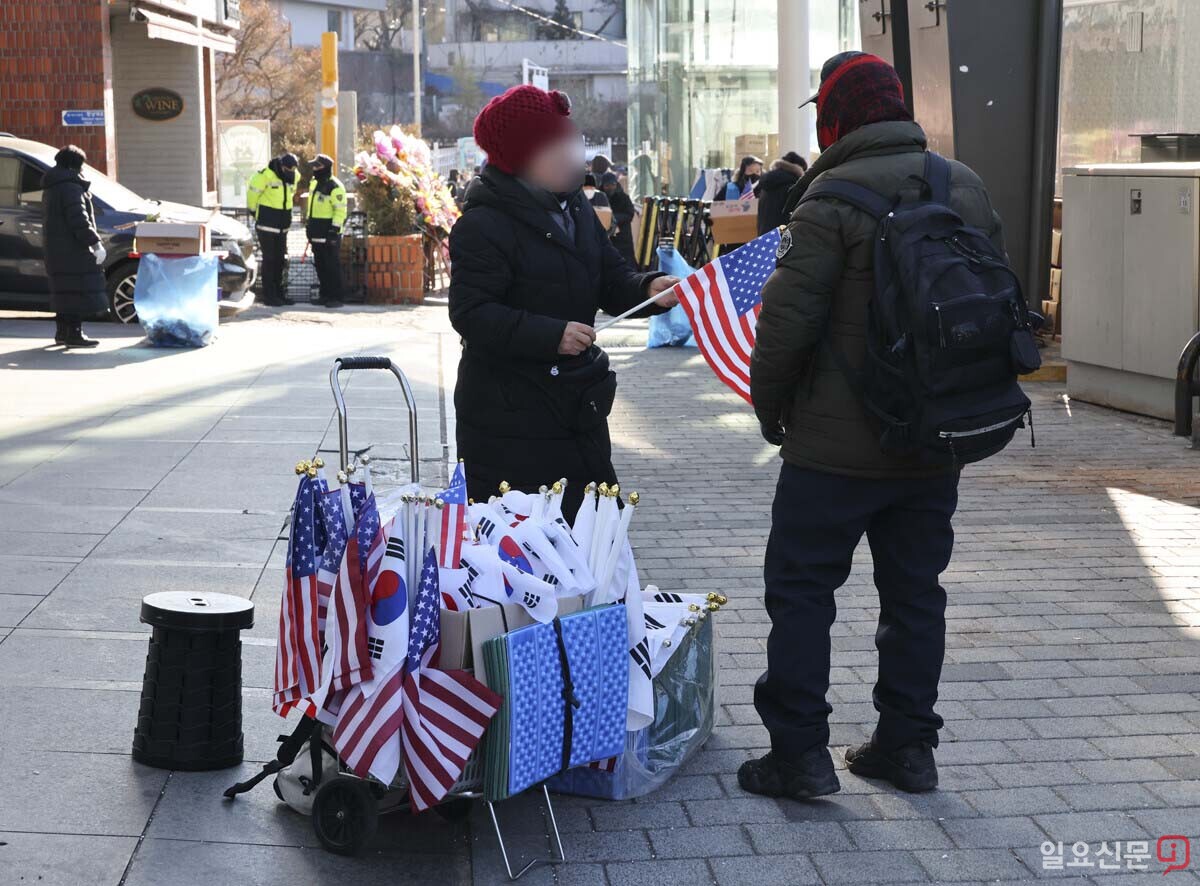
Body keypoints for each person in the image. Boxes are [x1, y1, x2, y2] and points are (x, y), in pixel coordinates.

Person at [741, 52, 1007, 800]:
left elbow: (785, 329)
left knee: (801, 593)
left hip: (832, 453)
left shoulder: (828, 199)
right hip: (933, 442)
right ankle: (908, 747)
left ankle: (799, 754)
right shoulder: (964, 185)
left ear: (837, 118)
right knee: (917, 594)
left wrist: (773, 416)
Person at [449, 85, 679, 519]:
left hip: (577, 406)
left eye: (568, 143)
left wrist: (647, 290)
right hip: (510, 422)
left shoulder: (574, 208)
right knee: (526, 556)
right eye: (551, 148)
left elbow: (609, 277)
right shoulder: (482, 225)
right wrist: (551, 335)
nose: (568, 157)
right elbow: (471, 313)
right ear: (519, 159)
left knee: (593, 536)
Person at [41, 145, 105, 348]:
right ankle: (75, 334)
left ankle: (62, 333)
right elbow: (79, 219)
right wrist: (95, 243)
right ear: (75, 165)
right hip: (73, 250)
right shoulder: (70, 187)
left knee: (64, 293)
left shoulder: (53, 185)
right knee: (76, 291)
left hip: (56, 251)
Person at [247, 152, 299, 306]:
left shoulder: (293, 175)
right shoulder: (264, 176)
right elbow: (252, 196)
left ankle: (279, 293)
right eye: (288, 169)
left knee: (280, 260)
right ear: (282, 166)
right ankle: (269, 296)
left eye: (293, 170)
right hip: (266, 225)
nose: (291, 172)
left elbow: (290, 194)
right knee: (269, 260)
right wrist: (255, 212)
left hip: (283, 225)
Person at [304, 154, 347, 309]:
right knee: (321, 266)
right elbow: (311, 207)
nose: (314, 169)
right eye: (314, 166)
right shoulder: (314, 183)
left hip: (329, 233)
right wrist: (309, 225)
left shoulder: (335, 186)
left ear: (326, 167)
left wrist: (334, 230)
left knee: (332, 266)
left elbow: (340, 211)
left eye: (317, 166)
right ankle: (325, 295)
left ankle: (336, 297)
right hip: (316, 232)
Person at [755, 151, 808, 235]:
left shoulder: (766, 183)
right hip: (784, 237)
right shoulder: (792, 187)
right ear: (800, 169)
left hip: (766, 235)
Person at [599, 171, 637, 268]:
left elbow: (629, 214)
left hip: (623, 237)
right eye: (607, 185)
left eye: (613, 184)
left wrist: (614, 218)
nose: (610, 187)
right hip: (606, 236)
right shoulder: (599, 198)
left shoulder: (624, 197)